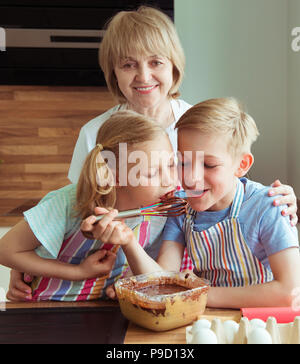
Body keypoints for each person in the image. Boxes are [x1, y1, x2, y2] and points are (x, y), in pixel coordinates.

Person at [7, 6, 298, 301]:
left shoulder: (193, 124)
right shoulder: (95, 133)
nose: (143, 75)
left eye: (156, 61)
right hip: (112, 276)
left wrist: (281, 199)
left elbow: (230, 183)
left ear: (174, 67)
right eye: (128, 64)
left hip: (169, 268)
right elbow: (73, 209)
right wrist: (37, 260)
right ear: (113, 73)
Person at [86, 98, 300, 308]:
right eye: (183, 162)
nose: (191, 178)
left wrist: (198, 294)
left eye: (209, 164)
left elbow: (289, 292)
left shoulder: (268, 206)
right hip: (207, 320)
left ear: (241, 165)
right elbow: (162, 280)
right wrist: (128, 241)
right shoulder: (181, 209)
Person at [0, 111, 178, 301]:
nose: (169, 180)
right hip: (48, 309)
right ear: (116, 177)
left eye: (171, 164)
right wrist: (78, 272)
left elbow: (154, 278)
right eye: (151, 173)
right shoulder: (67, 203)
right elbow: (5, 250)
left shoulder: (159, 211)